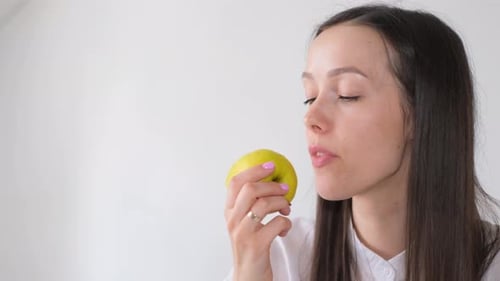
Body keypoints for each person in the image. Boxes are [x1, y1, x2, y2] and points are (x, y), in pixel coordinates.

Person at [223, 4, 500, 281]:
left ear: (423, 113)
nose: (311, 117)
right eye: (310, 96)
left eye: (347, 94)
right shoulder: (278, 255)